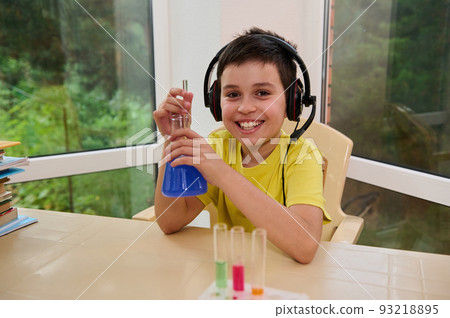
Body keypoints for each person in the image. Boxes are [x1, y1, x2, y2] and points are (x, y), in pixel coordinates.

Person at [153, 28, 330, 264]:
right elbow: (169, 221)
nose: (246, 107)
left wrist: (222, 174)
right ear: (216, 102)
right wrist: (174, 139)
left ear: (292, 101)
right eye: (233, 94)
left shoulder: (302, 155)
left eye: (262, 92)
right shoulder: (218, 147)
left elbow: (306, 247)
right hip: (232, 276)